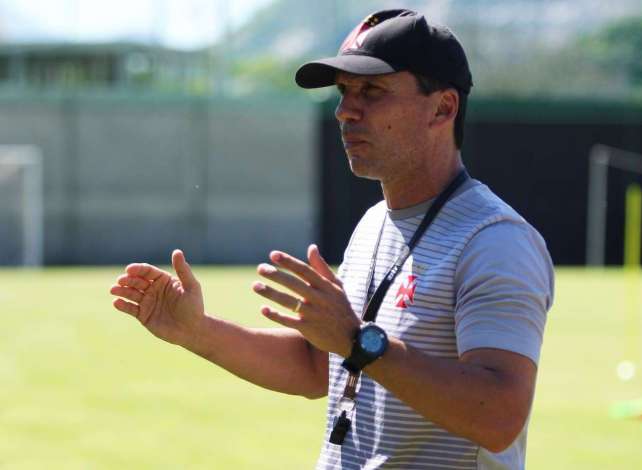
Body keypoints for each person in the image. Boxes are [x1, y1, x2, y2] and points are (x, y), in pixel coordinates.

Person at [109, 8, 554, 470]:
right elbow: (318, 366)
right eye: (344, 92)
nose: (345, 110)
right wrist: (197, 332)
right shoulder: (374, 225)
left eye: (372, 91)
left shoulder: (495, 240)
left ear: (443, 107)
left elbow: (499, 415)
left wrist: (358, 339)